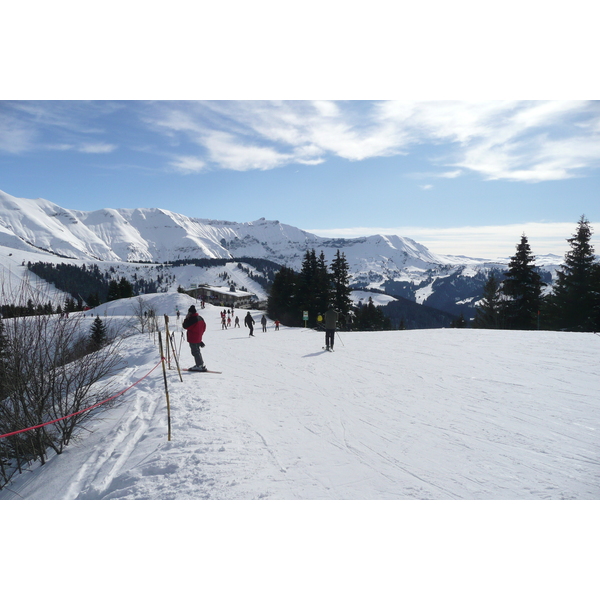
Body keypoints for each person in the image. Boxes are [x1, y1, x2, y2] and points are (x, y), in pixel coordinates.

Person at [182, 305, 207, 371]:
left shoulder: (192, 319)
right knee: (197, 351)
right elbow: (204, 327)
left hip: (193, 338)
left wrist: (186, 319)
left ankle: (199, 365)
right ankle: (200, 364)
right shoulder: (200, 318)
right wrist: (200, 335)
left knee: (195, 352)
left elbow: (185, 326)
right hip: (198, 337)